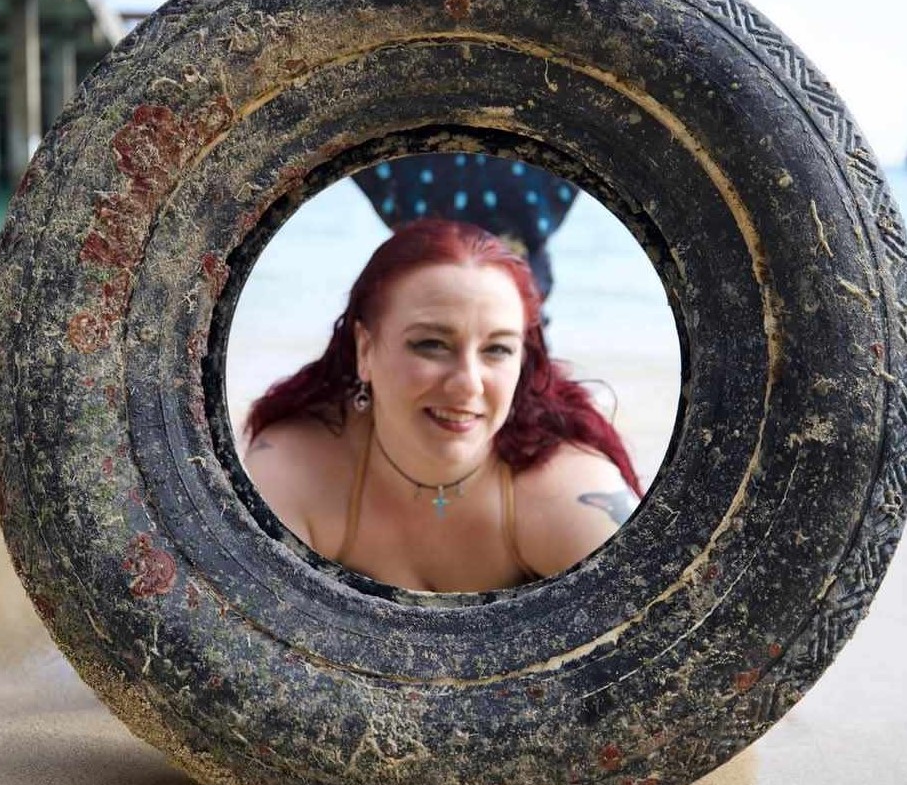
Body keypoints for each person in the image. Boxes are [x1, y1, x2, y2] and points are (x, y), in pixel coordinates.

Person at [244, 219, 642, 593]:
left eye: (498, 349)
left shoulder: (565, 493)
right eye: (431, 344)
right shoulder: (295, 468)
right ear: (365, 349)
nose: (468, 383)